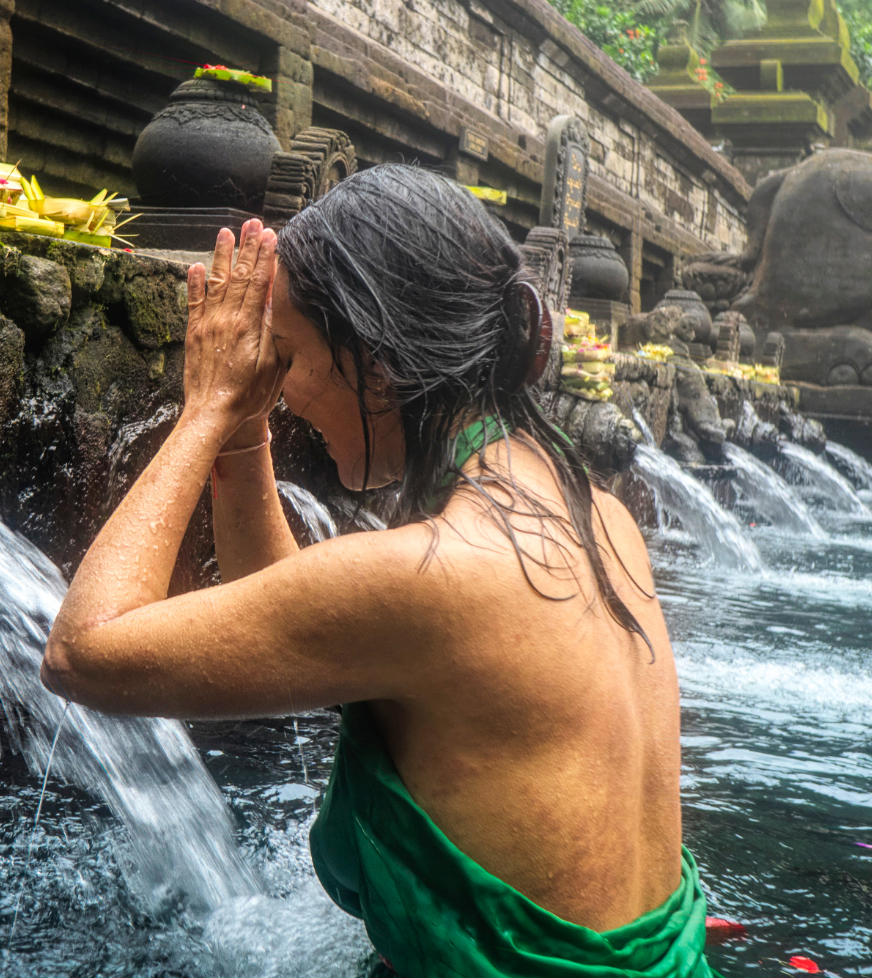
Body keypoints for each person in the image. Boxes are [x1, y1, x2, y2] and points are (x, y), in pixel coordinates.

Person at [42, 165, 716, 977]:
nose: (279, 392)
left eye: (286, 357)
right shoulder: (601, 518)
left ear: (379, 361)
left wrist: (206, 406)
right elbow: (304, 621)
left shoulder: (440, 575)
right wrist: (243, 431)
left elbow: (83, 652)